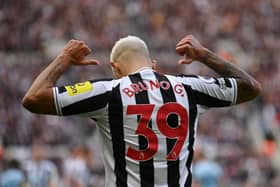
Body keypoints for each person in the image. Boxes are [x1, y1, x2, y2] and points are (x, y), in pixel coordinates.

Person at [22, 35, 261, 187]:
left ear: (115, 68)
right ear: (153, 64)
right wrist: (203, 55)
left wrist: (64, 59)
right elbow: (250, 88)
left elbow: (33, 98)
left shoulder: (108, 91)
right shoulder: (189, 88)